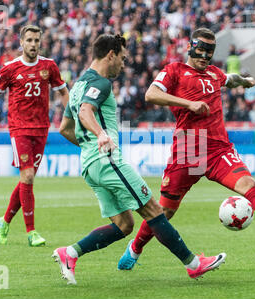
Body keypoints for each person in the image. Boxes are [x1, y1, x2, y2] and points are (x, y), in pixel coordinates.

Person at [118, 27, 255, 270]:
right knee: (164, 212)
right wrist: (189, 104)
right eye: (200, 52)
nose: (204, 58)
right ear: (191, 47)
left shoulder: (213, 73)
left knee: (248, 185)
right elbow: (151, 94)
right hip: (189, 148)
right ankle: (135, 248)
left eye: (209, 55)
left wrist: (246, 80)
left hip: (219, 148)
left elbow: (229, 80)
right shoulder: (175, 70)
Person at [52, 34, 226, 285]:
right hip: (107, 160)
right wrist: (101, 135)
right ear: (110, 54)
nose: (123, 64)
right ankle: (193, 264)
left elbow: (65, 129)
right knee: (154, 210)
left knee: (124, 225)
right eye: (121, 58)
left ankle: (70, 253)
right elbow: (85, 111)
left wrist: (91, 143)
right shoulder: (101, 83)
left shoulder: (78, 85)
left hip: (90, 164)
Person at [0, 25, 69, 247]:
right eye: (29, 40)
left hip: (42, 129)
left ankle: (5, 220)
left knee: (26, 181)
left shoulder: (49, 66)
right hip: (19, 129)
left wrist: (73, 119)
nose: (33, 44)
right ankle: (31, 232)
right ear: (21, 43)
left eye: (36, 40)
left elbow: (64, 92)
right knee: (27, 177)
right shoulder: (10, 69)